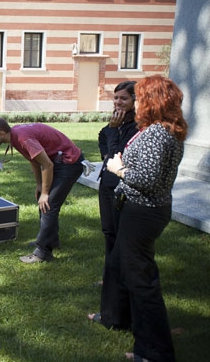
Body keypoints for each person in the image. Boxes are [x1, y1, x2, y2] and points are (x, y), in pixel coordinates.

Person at [89, 75, 186, 362]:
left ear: (155, 101)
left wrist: (120, 169)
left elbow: (148, 178)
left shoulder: (158, 133)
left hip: (143, 212)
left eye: (142, 97)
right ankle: (124, 324)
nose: (137, 102)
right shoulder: (161, 129)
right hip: (142, 209)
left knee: (142, 283)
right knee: (128, 271)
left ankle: (154, 352)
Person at [0, 117, 84, 263]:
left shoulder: (22, 138)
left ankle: (43, 253)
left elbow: (47, 165)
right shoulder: (15, 136)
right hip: (58, 161)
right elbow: (34, 160)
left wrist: (45, 192)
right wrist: (39, 185)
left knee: (48, 204)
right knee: (44, 202)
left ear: (1, 133)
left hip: (69, 161)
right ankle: (50, 241)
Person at [96, 81, 138, 282]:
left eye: (124, 98)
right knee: (108, 231)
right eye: (116, 97)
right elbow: (102, 136)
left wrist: (113, 132)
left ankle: (120, 277)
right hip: (106, 182)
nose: (118, 102)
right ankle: (110, 275)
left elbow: (118, 152)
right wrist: (106, 155)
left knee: (120, 233)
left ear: (134, 100)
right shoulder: (116, 121)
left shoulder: (136, 125)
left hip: (120, 186)